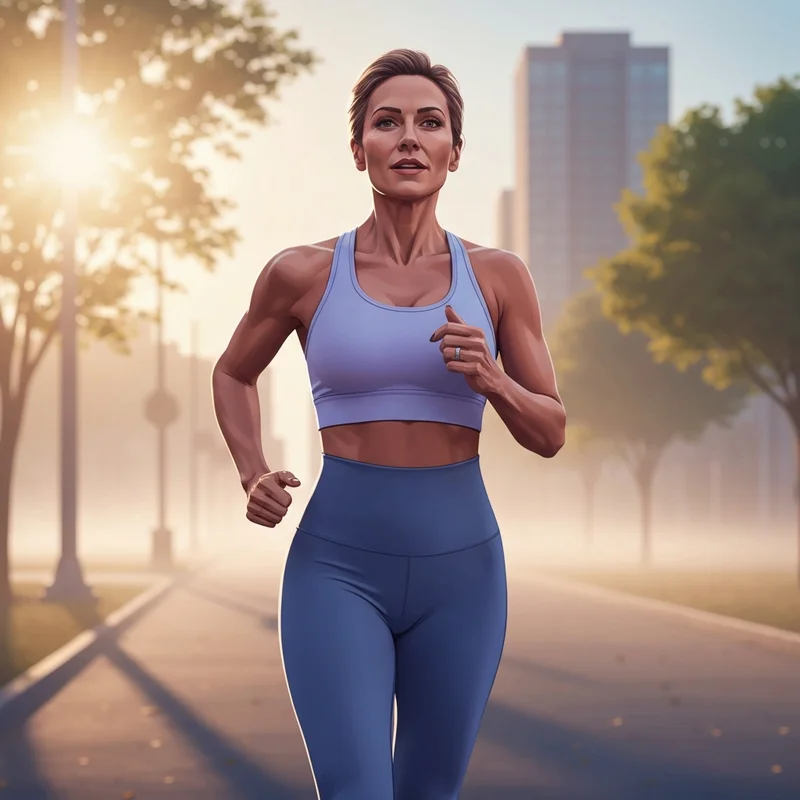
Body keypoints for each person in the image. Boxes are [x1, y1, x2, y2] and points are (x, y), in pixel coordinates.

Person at [212, 48, 566, 800]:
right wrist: (251, 470)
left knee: (428, 792)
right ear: (358, 150)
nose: (409, 137)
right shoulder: (302, 273)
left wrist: (492, 379)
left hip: (463, 570)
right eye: (388, 122)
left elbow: (550, 432)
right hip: (338, 566)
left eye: (429, 123)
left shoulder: (498, 277)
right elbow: (233, 371)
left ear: (454, 153)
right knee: (354, 791)